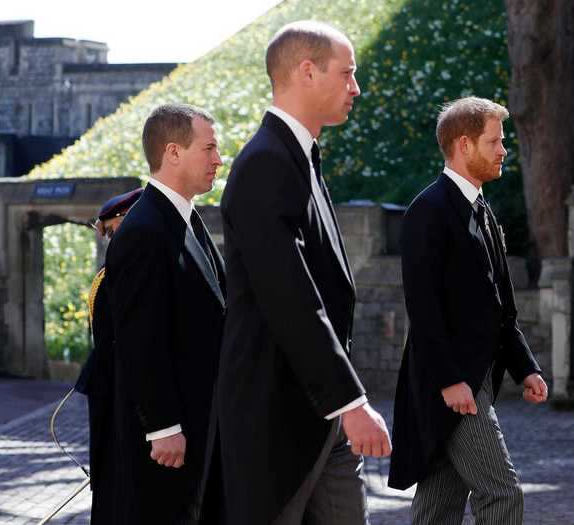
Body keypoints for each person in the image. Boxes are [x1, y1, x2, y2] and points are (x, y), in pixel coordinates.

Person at [218, 20, 391, 525]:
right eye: (348, 73)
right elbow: (288, 294)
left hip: (321, 416)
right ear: (307, 72)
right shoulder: (265, 164)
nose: (355, 87)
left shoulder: (300, 158)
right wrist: (350, 400)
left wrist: (341, 405)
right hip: (276, 417)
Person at [388, 96, 548, 525]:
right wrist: (450, 380)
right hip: (454, 386)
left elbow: (501, 307)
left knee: (438, 505)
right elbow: (423, 308)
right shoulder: (429, 211)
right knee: (502, 493)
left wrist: (525, 367)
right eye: (495, 142)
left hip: (473, 380)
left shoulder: (483, 211)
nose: (503, 151)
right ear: (464, 144)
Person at [105, 103, 227, 524]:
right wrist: (162, 426)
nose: (218, 160)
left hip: (200, 422)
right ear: (173, 152)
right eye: (209, 148)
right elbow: (141, 338)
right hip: (169, 439)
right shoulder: (145, 230)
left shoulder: (184, 218)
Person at [74, 187, 143, 524]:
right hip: (109, 384)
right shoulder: (114, 270)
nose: (110, 239)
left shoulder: (125, 267)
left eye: (113, 230)